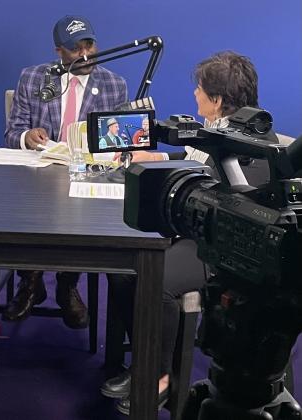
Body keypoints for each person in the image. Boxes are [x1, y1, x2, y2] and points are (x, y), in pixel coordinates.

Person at [101, 51, 278, 416]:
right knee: (121, 270)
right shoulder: (219, 130)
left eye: (199, 90)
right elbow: (196, 157)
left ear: (215, 99)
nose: (194, 95)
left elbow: (228, 204)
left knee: (157, 278)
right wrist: (161, 159)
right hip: (195, 233)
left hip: (225, 249)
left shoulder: (248, 147)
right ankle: (142, 363)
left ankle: (160, 376)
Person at [4, 15, 127, 329]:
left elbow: (120, 145)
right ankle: (30, 281)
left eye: (89, 44)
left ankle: (67, 282)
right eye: (76, 48)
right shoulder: (34, 79)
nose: (85, 54)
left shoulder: (114, 85)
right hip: (39, 174)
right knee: (27, 200)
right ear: (60, 51)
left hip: (86, 176)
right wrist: (26, 137)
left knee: (83, 205)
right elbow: (12, 133)